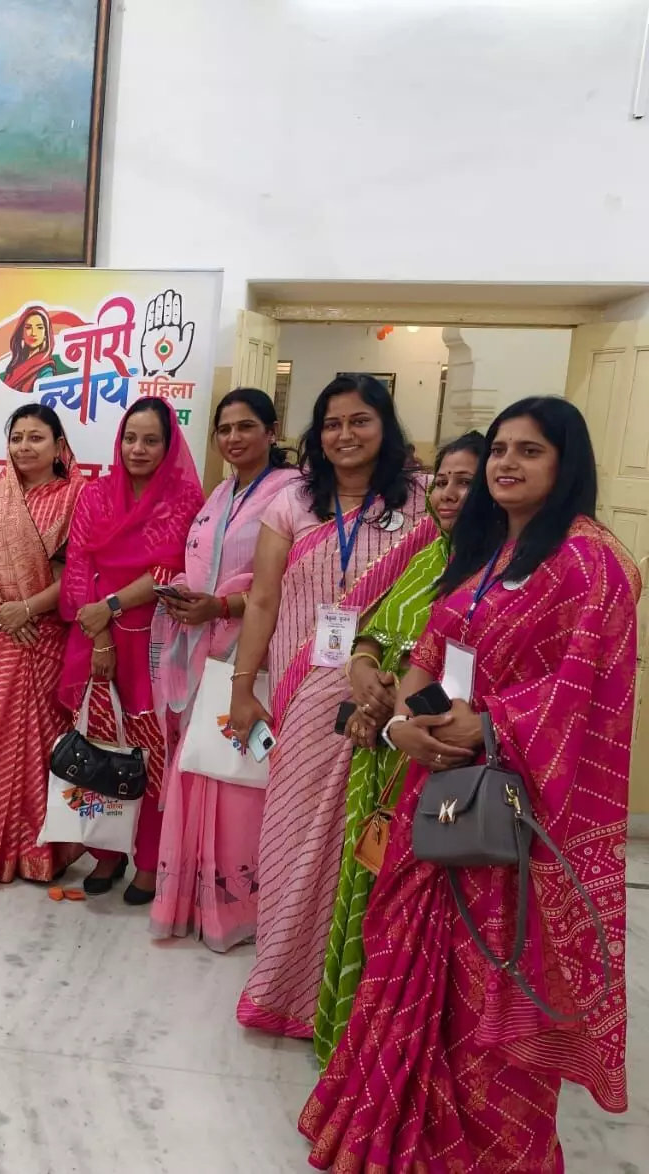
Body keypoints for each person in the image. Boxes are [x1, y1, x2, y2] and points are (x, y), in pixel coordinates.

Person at [302, 397, 634, 1170]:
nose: (507, 464)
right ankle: (392, 1136)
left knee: (492, 994)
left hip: (511, 824)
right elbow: (428, 657)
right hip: (436, 795)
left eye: (530, 451)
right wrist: (402, 728)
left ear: (568, 464)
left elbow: (583, 693)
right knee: (408, 967)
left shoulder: (590, 562)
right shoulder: (484, 554)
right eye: (501, 450)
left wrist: (489, 727)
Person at [228, 375, 437, 1039]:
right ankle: (282, 985)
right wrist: (242, 686)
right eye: (331, 423)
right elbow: (263, 599)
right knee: (291, 836)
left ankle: (356, 994)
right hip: (304, 696)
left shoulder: (425, 500)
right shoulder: (293, 500)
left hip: (388, 699)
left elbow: (441, 593)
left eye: (360, 420)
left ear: (385, 425)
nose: (345, 435)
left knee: (369, 841)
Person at [311, 430, 484, 1063]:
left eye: (466, 482)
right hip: (381, 753)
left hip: (437, 760)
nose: (449, 494)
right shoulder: (428, 556)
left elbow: (468, 675)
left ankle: (394, 1060)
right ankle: (350, 1048)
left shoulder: (491, 570)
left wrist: (394, 714)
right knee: (367, 881)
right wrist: (364, 680)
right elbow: (371, 635)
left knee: (415, 909)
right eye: (443, 481)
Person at [149, 388, 301, 946]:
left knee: (238, 779)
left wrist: (221, 605)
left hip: (251, 655)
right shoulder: (220, 491)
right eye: (224, 428)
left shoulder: (293, 493)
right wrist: (186, 596)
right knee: (200, 766)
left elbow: (288, 582)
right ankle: (191, 899)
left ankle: (238, 910)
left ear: (271, 431)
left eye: (245, 426)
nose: (233, 438)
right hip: (203, 651)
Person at [60, 397, 204, 902]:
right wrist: (100, 632)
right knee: (101, 745)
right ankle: (106, 852)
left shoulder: (184, 500)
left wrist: (113, 605)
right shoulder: (97, 495)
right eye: (130, 438)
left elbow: (172, 570)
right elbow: (79, 567)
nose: (138, 449)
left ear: (168, 446)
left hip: (155, 640)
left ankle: (147, 861)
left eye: (151, 440)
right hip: (96, 638)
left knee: (151, 753)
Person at [0, 404, 83, 884]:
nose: (24, 447)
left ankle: (40, 853)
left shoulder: (76, 498)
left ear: (58, 445)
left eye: (36, 437)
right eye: (17, 437)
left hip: (47, 638)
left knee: (44, 748)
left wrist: (25, 609)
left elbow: (79, 573)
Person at [0, 305, 73, 394]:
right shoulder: (15, 365)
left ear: (46, 333)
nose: (33, 333)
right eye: (28, 327)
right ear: (21, 332)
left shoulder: (46, 370)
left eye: (40, 327)